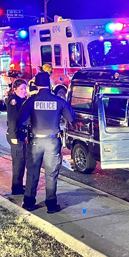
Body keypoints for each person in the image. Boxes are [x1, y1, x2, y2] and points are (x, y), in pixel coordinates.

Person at [17, 72, 75, 213]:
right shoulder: (58, 101)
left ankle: (29, 202)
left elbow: (20, 119)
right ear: (49, 84)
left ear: (36, 84)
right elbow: (71, 118)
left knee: (32, 172)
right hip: (52, 141)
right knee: (51, 173)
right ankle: (51, 204)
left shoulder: (31, 100)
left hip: (36, 140)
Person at [6, 79, 28, 195]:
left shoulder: (23, 100)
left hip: (21, 134)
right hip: (16, 135)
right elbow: (12, 119)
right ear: (14, 90)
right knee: (18, 162)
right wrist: (13, 136)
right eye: (21, 89)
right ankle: (16, 188)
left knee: (22, 161)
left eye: (25, 88)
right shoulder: (13, 101)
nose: (24, 91)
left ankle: (19, 184)